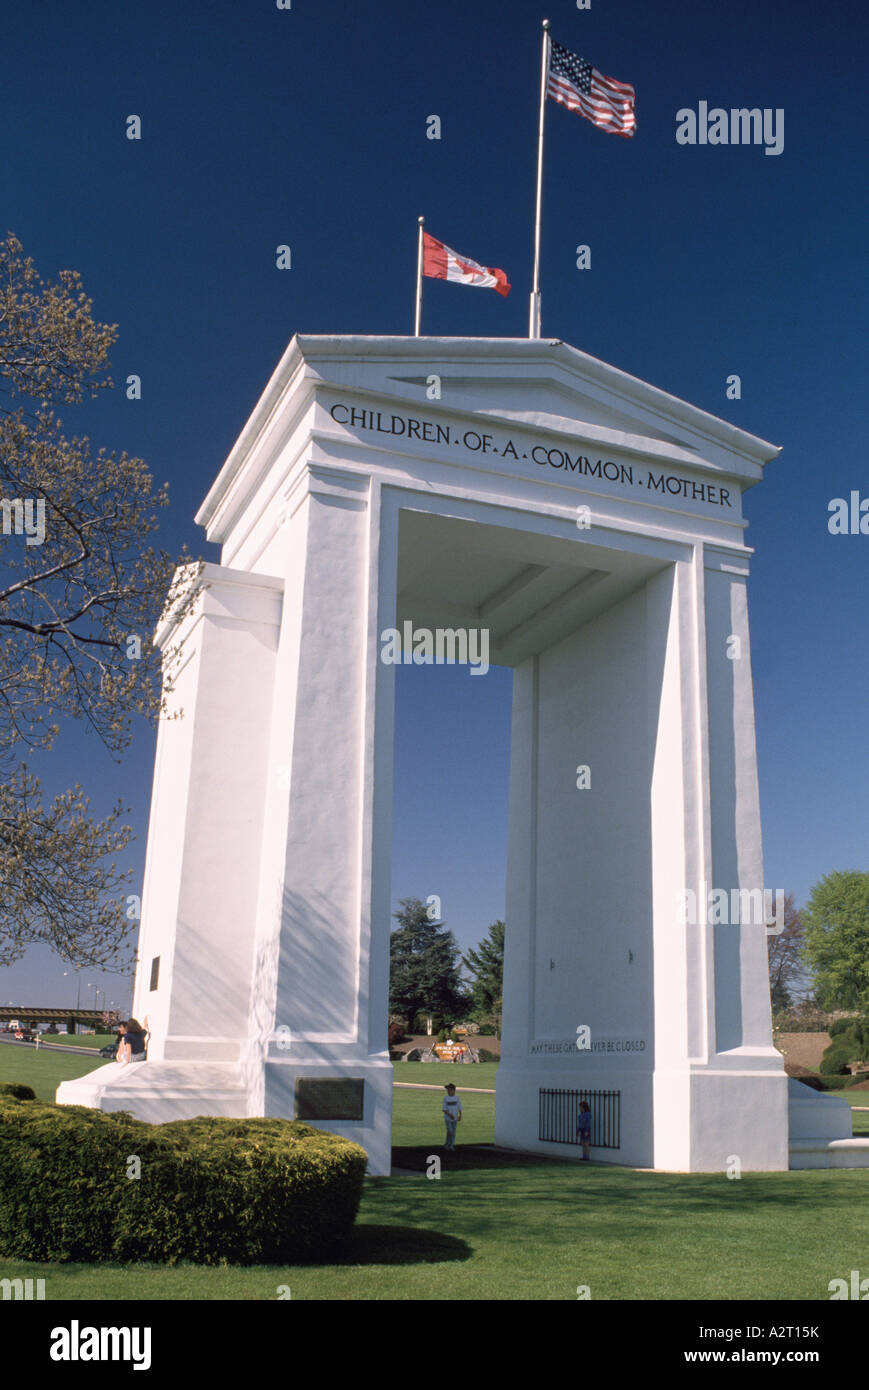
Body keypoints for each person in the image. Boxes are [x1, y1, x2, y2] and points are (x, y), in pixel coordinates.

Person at [442, 1082, 462, 1150]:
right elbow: (444, 1109)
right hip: (448, 1119)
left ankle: (450, 1145)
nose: (448, 1091)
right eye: (447, 1090)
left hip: (455, 1119)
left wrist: (460, 1115)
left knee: (452, 1132)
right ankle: (448, 1144)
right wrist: (450, 1115)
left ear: (453, 1090)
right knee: (450, 1131)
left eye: (449, 1090)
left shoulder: (457, 1098)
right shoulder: (445, 1098)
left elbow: (459, 1107)